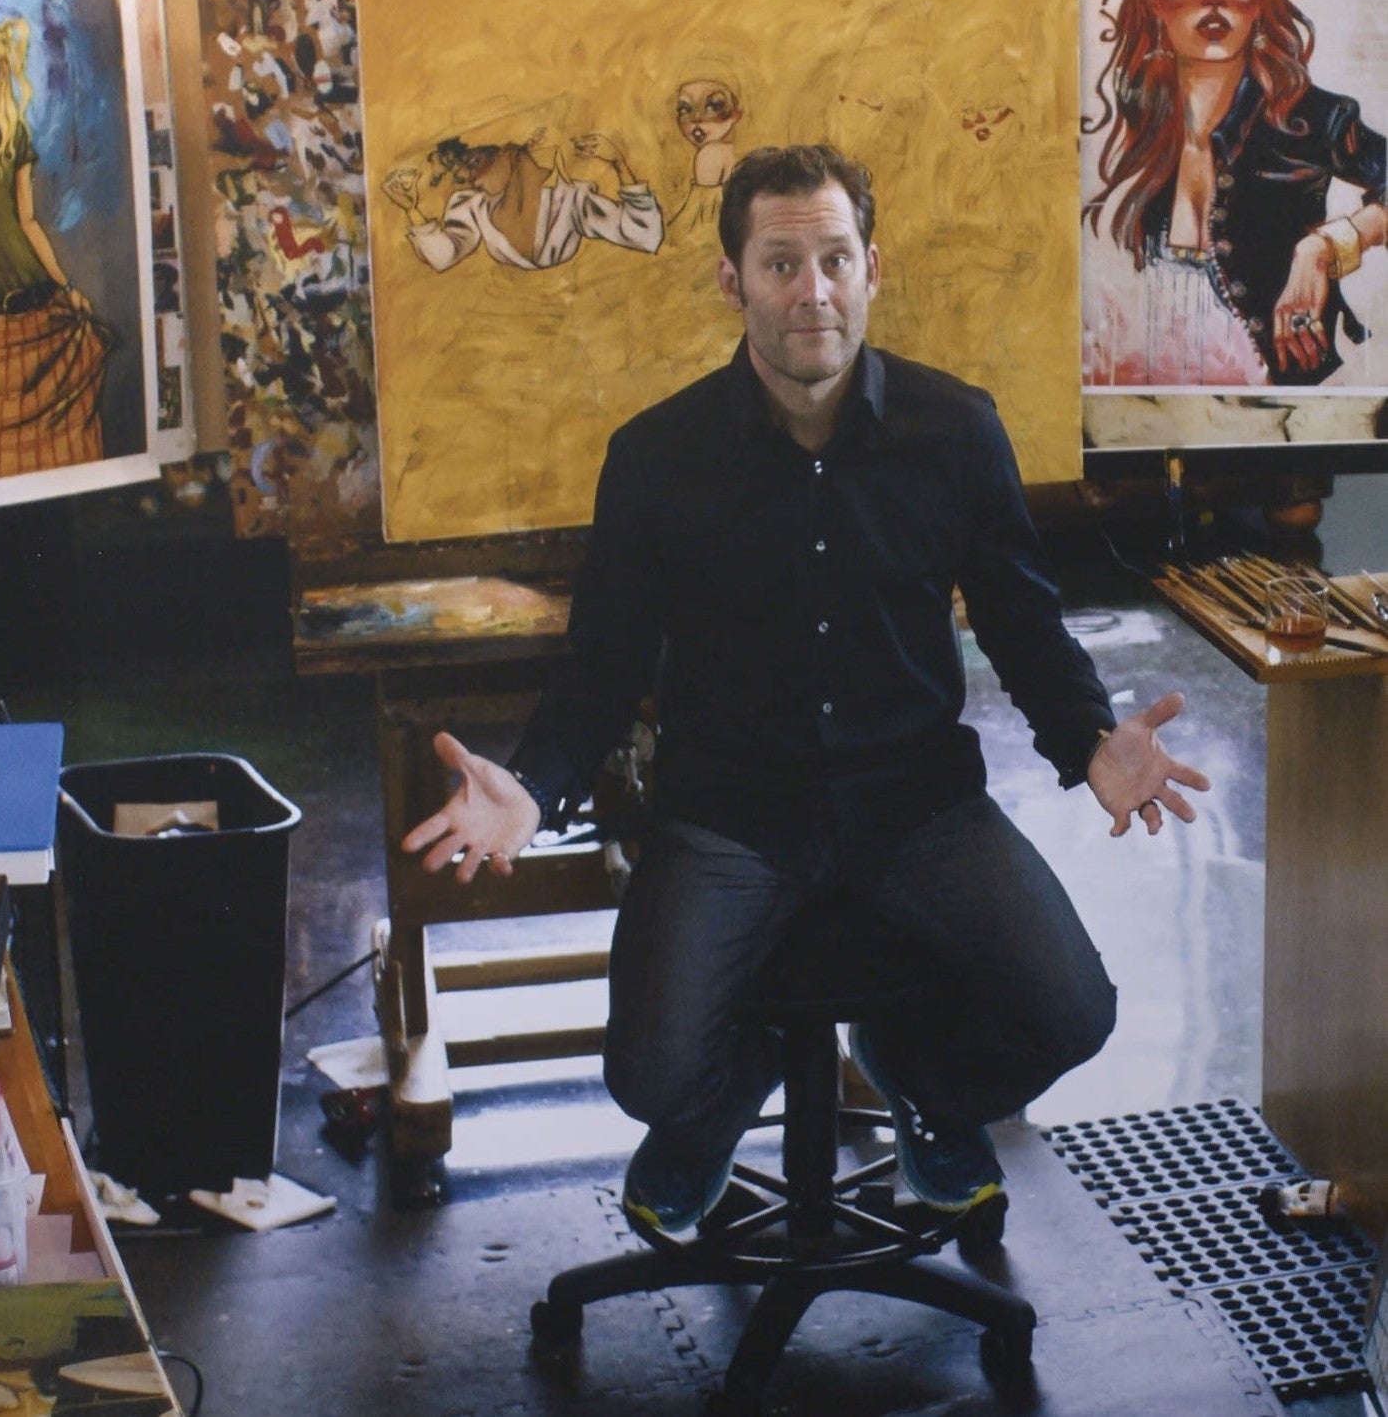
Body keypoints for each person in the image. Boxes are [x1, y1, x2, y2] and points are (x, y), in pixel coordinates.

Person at [402, 145, 1208, 1235]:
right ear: (731, 280)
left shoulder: (955, 430)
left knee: (1072, 1012)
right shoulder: (655, 456)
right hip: (729, 814)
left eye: (833, 259)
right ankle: (718, 1106)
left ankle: (919, 1084)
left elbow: (1022, 626)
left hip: (918, 805)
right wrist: (535, 786)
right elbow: (603, 663)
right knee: (650, 1074)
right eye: (780, 264)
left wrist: (1087, 738)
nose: (811, 290)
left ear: (871, 267)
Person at [1084, 0, 1388, 386]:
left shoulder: (1312, 118)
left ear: (1258, 2)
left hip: (1280, 406)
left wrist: (1322, 248)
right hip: (1155, 400)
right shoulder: (1140, 123)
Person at [0, 10, 114, 480]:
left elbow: (28, 222)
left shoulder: (16, 140)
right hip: (1, 326)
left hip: (45, 313)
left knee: (69, 445)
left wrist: (66, 287)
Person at [382, 131, 663, 273]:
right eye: (462, 172)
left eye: (474, 162)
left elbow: (646, 235)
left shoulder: (571, 199)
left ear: (508, 151)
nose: (471, 179)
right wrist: (412, 209)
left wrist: (619, 164)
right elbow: (443, 256)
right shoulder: (472, 206)